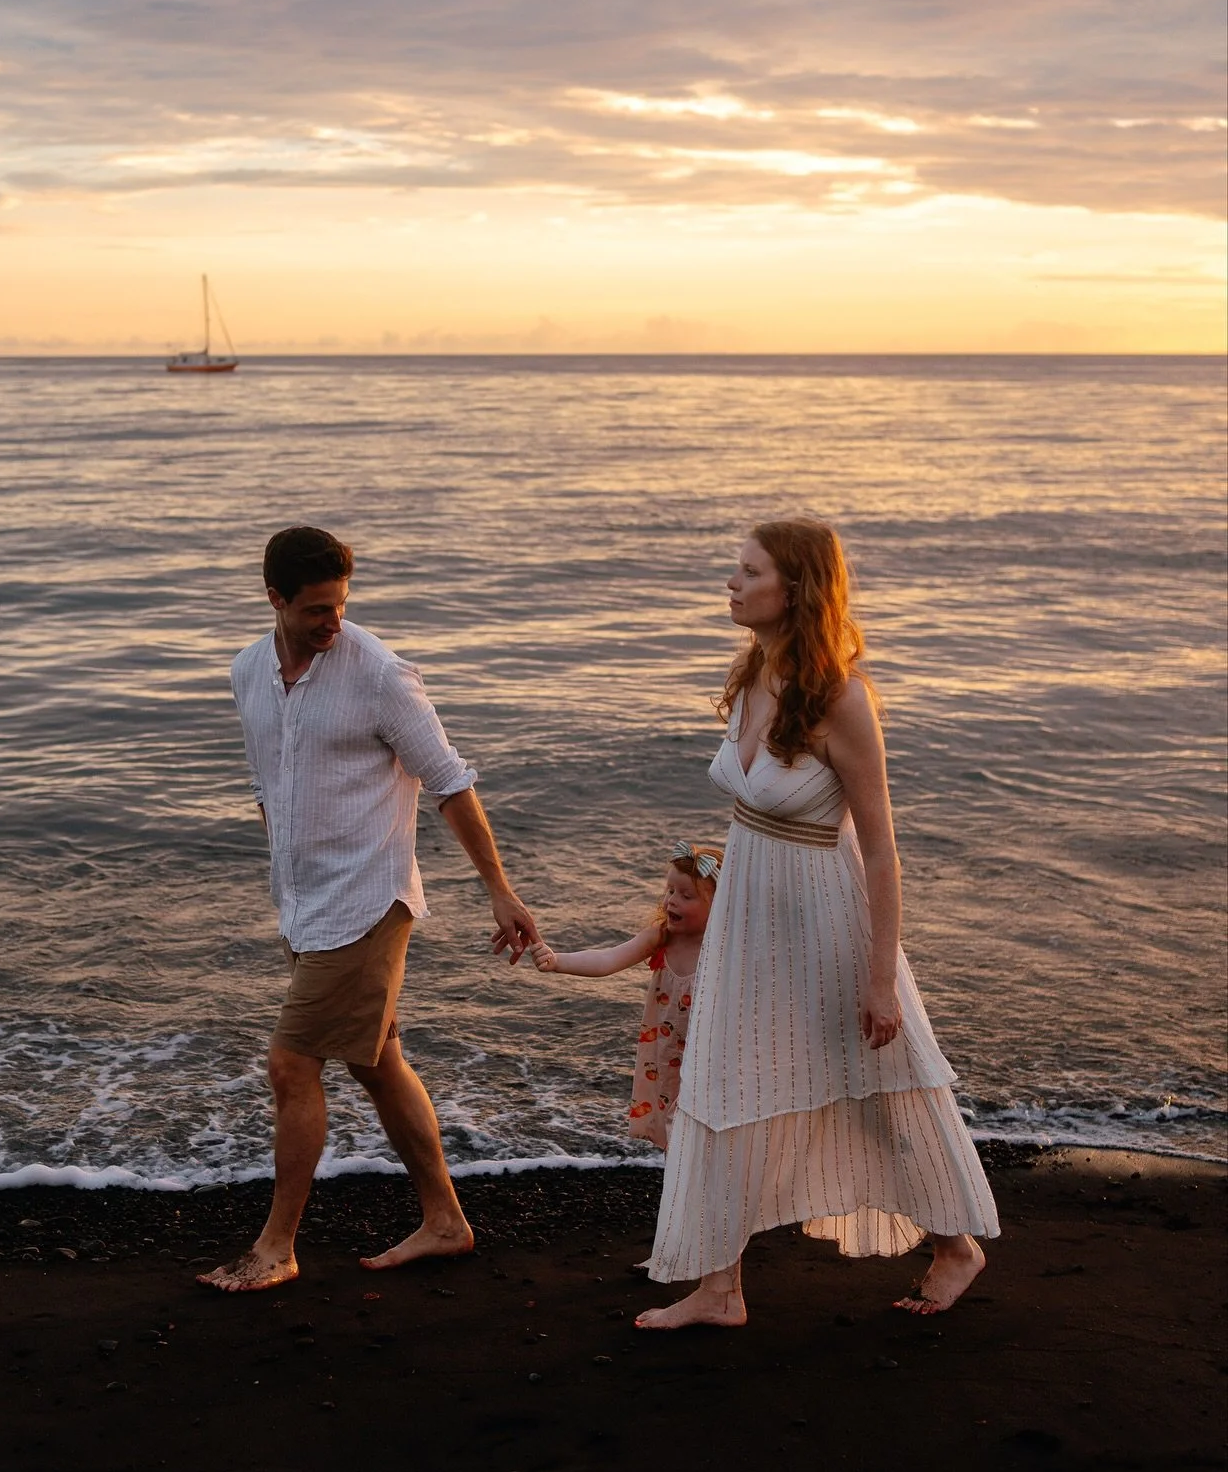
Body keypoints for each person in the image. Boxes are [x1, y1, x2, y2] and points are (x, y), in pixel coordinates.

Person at [638, 518, 999, 1330]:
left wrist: (879, 978)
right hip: (751, 914)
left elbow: (881, 853)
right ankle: (719, 1287)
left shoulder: (842, 697)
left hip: (827, 920)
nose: (730, 583)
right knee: (725, 1079)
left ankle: (954, 1247)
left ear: (793, 588)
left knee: (879, 1085)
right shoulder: (755, 668)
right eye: (734, 568)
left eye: (747, 571)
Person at [199, 525, 538, 1293]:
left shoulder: (379, 673)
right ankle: (445, 1220)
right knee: (376, 1061)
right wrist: (287, 880)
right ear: (275, 599)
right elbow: (268, 788)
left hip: (368, 900)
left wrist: (500, 890)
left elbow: (450, 783)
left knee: (290, 1064)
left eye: (342, 606)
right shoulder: (248, 672)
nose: (334, 622)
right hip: (303, 904)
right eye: (317, 608)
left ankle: (277, 1246)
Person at [530, 842, 721, 1150]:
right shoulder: (661, 937)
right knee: (675, 1129)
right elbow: (608, 960)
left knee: (701, 1128)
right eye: (670, 891)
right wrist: (557, 962)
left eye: (686, 896)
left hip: (710, 1056)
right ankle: (679, 1188)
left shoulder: (724, 950)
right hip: (669, 1055)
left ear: (720, 905)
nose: (672, 901)